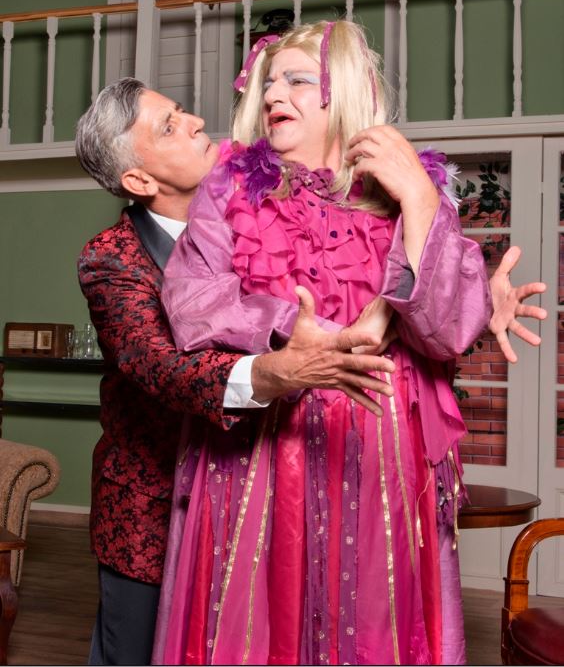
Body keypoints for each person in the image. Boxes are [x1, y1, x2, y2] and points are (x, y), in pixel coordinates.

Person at [153, 21, 547, 666]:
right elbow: (193, 304)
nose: (273, 93)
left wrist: (418, 198)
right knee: (259, 620)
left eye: (296, 80)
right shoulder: (228, 189)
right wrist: (289, 325)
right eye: (267, 82)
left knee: (371, 620)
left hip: (379, 441)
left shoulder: (412, 192)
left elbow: (445, 331)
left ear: (346, 90)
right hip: (265, 448)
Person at [75, 78, 399, 666]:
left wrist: (455, 301)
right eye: (169, 126)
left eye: (182, 111)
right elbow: (163, 367)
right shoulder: (111, 258)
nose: (197, 121)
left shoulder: (261, 210)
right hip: (154, 514)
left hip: (260, 500)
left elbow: (358, 287)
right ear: (139, 181)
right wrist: (278, 372)